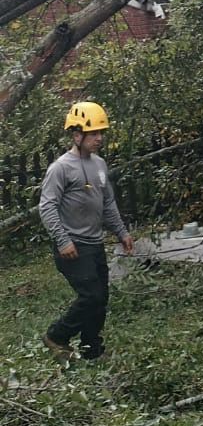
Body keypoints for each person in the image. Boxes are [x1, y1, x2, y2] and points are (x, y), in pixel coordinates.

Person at [39, 101, 134, 363]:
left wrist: (122, 232)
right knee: (90, 295)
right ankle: (57, 336)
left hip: (94, 243)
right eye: (93, 134)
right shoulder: (60, 168)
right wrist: (63, 240)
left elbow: (108, 203)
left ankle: (93, 349)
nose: (99, 139)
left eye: (101, 133)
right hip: (71, 247)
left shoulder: (100, 165)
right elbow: (47, 207)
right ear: (77, 135)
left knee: (100, 299)